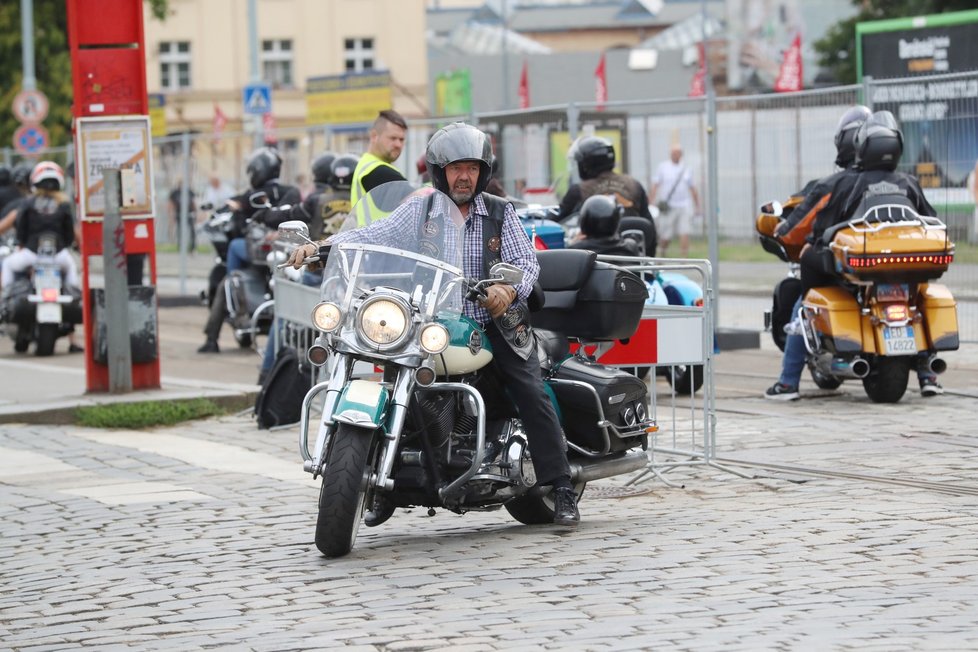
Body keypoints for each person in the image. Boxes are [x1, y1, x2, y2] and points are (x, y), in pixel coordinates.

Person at [288, 122, 581, 528]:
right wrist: (319, 248)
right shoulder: (420, 209)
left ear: (483, 172)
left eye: (473, 169)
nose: (465, 177)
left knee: (530, 389)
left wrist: (508, 291)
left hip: (491, 324)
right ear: (440, 171)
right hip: (432, 321)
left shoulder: (499, 212)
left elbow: (526, 263)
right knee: (394, 372)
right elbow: (374, 236)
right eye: (457, 168)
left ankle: (561, 486)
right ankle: (382, 482)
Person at [765, 109, 941, 400]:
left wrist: (789, 234)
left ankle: (787, 383)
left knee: (804, 306)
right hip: (901, 267)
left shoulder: (839, 184)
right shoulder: (908, 182)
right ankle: (927, 374)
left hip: (851, 268)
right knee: (917, 299)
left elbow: (801, 228)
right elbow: (930, 220)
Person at [197, 147, 301, 353]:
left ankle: (232, 291)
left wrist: (227, 206)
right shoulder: (291, 191)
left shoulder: (254, 195)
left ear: (257, 170)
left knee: (232, 259)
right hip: (289, 250)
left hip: (262, 250)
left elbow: (234, 204)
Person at [0, 161, 83, 352]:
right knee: (71, 278)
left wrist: (22, 245)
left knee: (8, 266)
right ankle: (73, 335)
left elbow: (21, 230)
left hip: (31, 254)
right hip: (59, 256)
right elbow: (70, 233)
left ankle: (5, 300)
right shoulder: (64, 204)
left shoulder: (27, 204)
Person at [557, 136, 654, 229]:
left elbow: (556, 217)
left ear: (587, 164)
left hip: (593, 245)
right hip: (632, 243)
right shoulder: (634, 185)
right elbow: (649, 224)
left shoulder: (579, 190)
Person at [350, 109, 408, 220]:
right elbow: (420, 199)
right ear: (374, 136)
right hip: (375, 237)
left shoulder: (366, 164)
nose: (398, 144)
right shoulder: (376, 170)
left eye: (401, 139)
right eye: (393, 138)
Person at [649, 143, 700, 258]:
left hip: (684, 205)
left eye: (677, 153)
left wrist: (697, 205)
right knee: (666, 234)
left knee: (684, 231)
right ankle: (662, 253)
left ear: (681, 155)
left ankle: (684, 259)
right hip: (668, 206)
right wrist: (651, 201)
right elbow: (655, 185)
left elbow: (693, 188)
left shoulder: (686, 169)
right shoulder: (663, 167)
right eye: (673, 153)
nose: (675, 155)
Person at [568, 194, 640, 257]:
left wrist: (572, 243)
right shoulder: (630, 246)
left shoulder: (576, 250)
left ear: (584, 221)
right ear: (615, 221)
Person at [168, 182, 197, 252]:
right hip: (179, 214)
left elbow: (193, 203)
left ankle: (192, 248)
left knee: (192, 231)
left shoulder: (189, 192)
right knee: (180, 231)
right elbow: (171, 204)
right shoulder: (175, 193)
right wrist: (171, 215)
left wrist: (196, 213)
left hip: (189, 214)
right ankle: (181, 247)